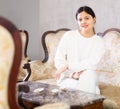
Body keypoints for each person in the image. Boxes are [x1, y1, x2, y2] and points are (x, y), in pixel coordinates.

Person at [54, 6, 105, 94]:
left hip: (88, 76)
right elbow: (59, 60)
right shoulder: (69, 36)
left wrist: (68, 65)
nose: (83, 22)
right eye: (80, 19)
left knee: (88, 74)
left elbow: (91, 64)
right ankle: (94, 97)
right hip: (68, 77)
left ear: (94, 19)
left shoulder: (99, 42)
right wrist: (71, 74)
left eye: (87, 18)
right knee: (92, 90)